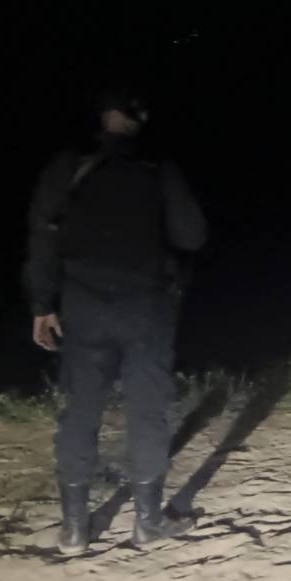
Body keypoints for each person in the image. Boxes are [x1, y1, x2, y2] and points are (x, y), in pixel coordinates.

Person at [24, 87, 208, 554]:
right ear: (139, 117)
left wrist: (42, 305)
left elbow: (42, 236)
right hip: (146, 308)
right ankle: (147, 522)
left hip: (83, 308)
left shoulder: (68, 166)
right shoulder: (158, 167)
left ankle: (73, 529)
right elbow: (192, 235)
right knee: (147, 408)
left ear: (100, 116)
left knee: (80, 411)